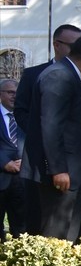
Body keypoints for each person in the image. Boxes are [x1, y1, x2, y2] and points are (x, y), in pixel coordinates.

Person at [19, 34, 81, 242]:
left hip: (75, 170)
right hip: (60, 174)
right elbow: (51, 125)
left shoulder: (70, 75)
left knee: (70, 234)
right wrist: (58, 168)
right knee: (56, 235)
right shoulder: (59, 76)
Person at [14, 23, 81, 233]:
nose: (78, 52)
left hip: (76, 163)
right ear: (57, 45)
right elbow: (21, 110)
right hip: (41, 162)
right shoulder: (35, 74)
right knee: (40, 221)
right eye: (73, 46)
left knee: (73, 227)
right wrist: (42, 133)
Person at [0, 78, 26, 239]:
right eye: (10, 92)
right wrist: (5, 163)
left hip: (22, 180)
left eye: (17, 93)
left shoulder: (25, 117)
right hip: (1, 177)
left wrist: (26, 161)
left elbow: (34, 141)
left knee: (22, 229)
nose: (14, 96)